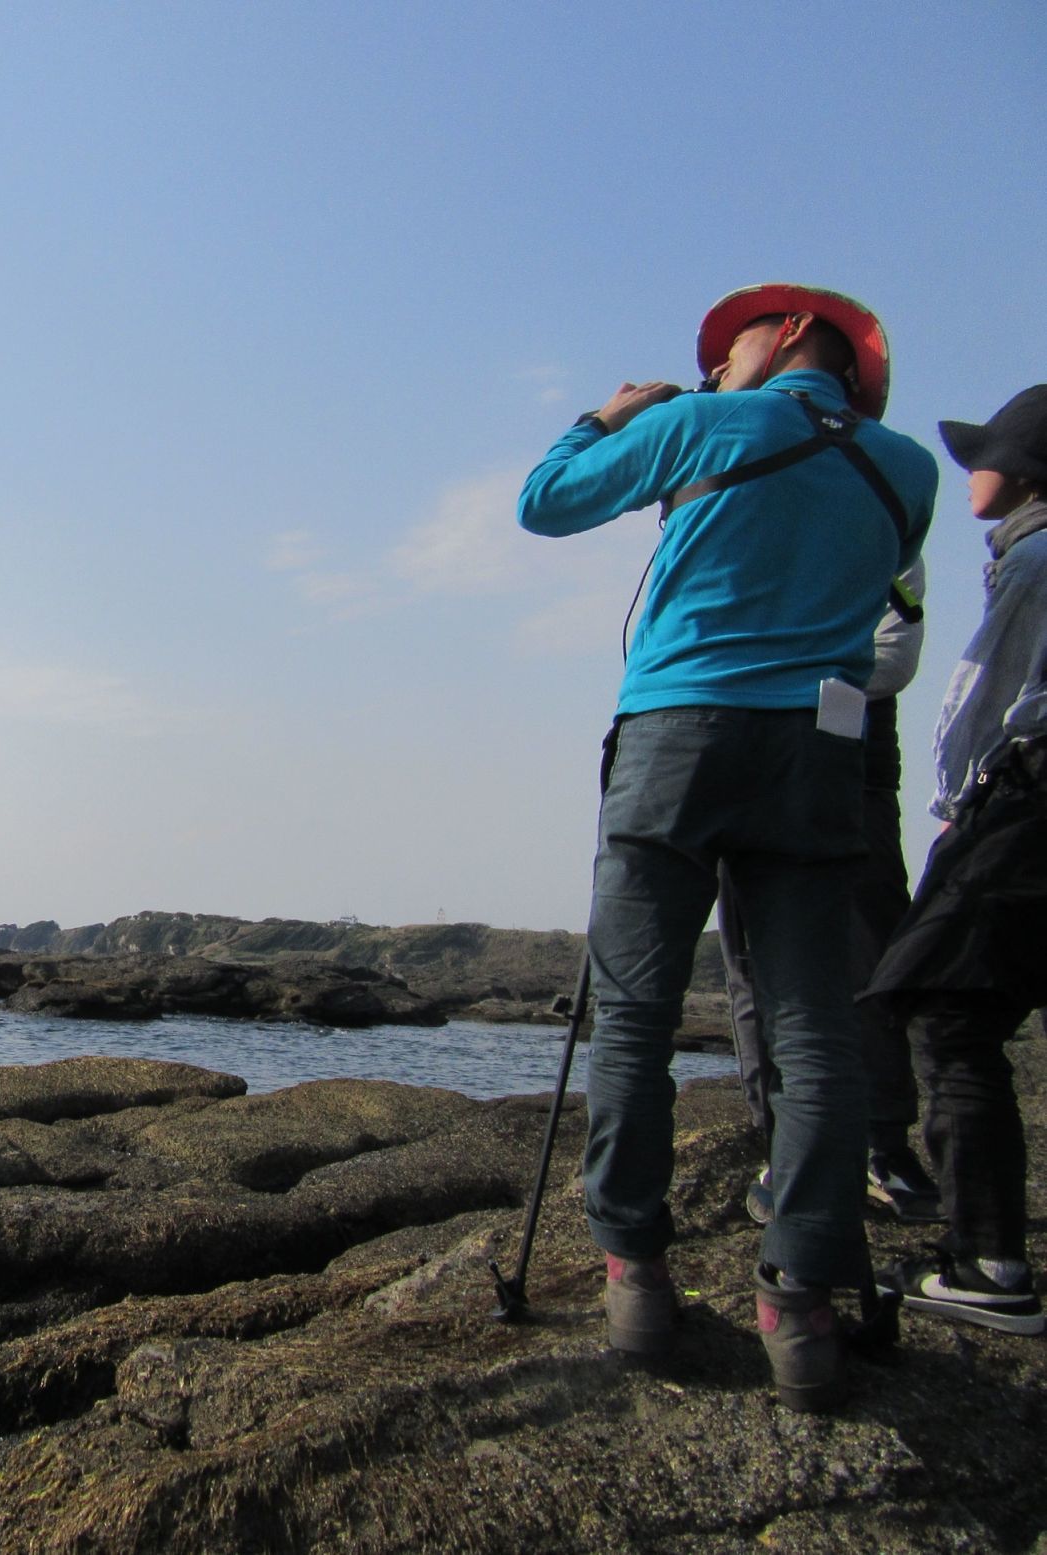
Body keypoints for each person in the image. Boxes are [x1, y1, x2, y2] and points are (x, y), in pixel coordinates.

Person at [517, 284, 937, 1410]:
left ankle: (636, 1278)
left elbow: (544, 504)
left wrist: (607, 418)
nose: (714, 361)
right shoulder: (910, 471)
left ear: (796, 332)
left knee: (637, 1011)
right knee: (815, 1022)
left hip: (679, 730)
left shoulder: (701, 425)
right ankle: (798, 1303)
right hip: (818, 753)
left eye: (735, 340)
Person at [868, 385, 1047, 1337]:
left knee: (947, 1008)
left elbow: (979, 700)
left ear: (1020, 471)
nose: (970, 466)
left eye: (985, 453)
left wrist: (951, 811)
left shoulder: (1036, 557)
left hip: (1026, 801)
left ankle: (988, 1263)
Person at [723, 555, 941, 1228]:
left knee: (869, 956)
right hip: (744, 762)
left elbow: (893, 656)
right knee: (753, 967)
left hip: (851, 772)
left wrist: (788, 683)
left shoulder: (884, 522)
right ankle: (781, 1142)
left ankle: (881, 1144)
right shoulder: (744, 520)